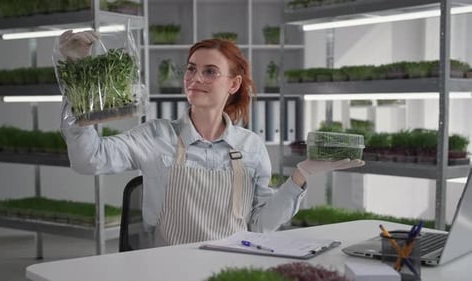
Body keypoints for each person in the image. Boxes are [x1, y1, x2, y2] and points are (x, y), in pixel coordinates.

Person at [59, 31, 365, 246]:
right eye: (191, 69)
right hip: (167, 270)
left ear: (233, 83)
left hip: (230, 269)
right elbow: (89, 160)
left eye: (209, 72)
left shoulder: (250, 147)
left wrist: (302, 174)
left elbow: (259, 225)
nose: (195, 78)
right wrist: (80, 79)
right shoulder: (156, 135)